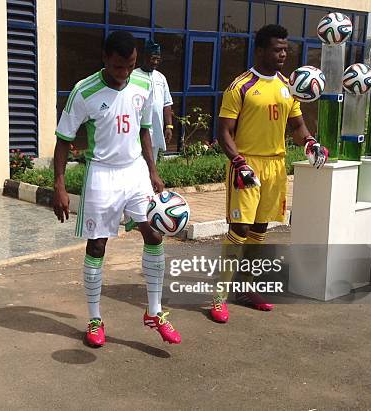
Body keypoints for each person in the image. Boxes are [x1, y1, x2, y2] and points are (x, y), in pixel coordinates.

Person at [53, 30, 181, 347]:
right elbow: (63, 141)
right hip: (102, 175)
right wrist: (59, 185)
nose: (124, 73)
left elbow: (145, 130)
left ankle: (154, 312)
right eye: (118, 67)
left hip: (135, 170)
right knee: (97, 246)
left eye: (130, 65)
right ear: (105, 59)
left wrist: (153, 170)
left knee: (153, 233)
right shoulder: (84, 91)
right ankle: (95, 319)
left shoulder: (143, 84)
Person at [212, 24, 328, 323]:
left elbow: (298, 126)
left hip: (275, 166)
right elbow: (224, 132)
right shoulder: (240, 87)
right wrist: (238, 161)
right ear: (260, 50)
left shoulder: (288, 86)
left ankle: (246, 288)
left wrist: (311, 143)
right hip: (246, 164)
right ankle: (220, 295)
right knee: (239, 230)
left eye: (285, 49)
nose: (283, 54)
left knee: (260, 230)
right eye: (277, 49)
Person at [133, 39, 173, 162]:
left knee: (152, 163)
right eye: (152, 58)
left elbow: (167, 104)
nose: (155, 62)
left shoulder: (161, 77)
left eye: (158, 59)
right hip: (138, 131)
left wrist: (169, 126)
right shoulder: (133, 76)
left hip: (155, 131)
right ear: (145, 57)